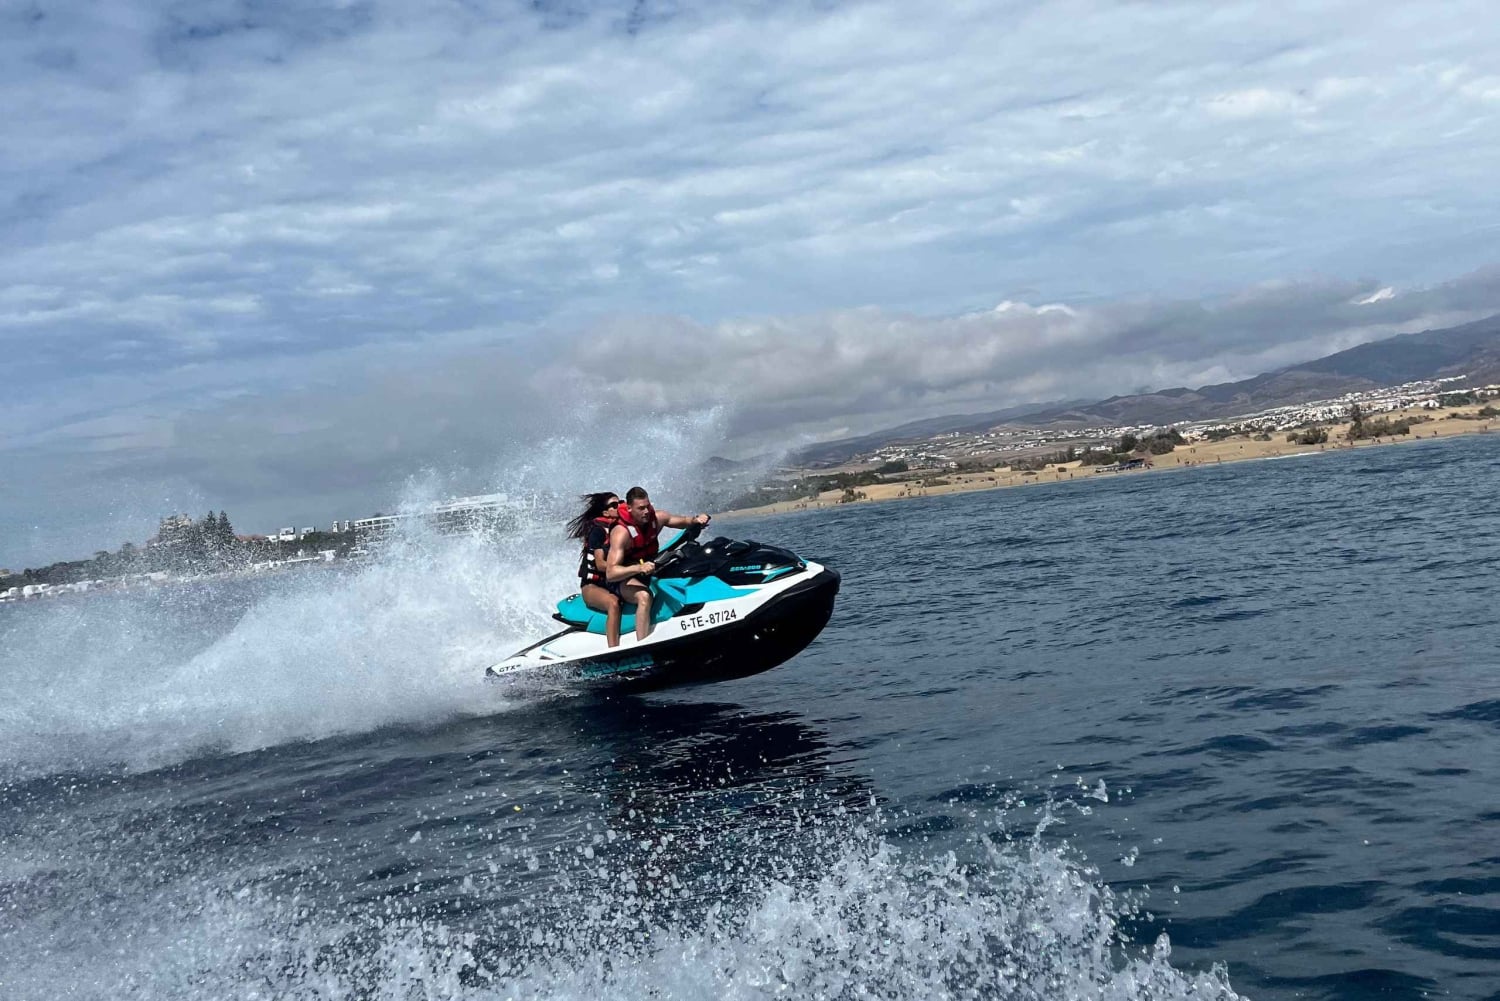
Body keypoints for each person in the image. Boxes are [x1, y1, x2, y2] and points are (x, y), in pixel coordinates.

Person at [606, 486, 711, 642]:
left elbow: (683, 521)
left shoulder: (657, 518)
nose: (646, 511)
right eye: (640, 508)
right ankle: (643, 644)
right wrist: (638, 568)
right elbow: (611, 573)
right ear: (629, 508)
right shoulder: (621, 533)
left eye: (647, 506)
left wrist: (697, 519)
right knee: (644, 597)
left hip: (648, 571)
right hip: (623, 578)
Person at [565, 491, 625, 647]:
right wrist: (631, 568)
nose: (619, 507)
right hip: (592, 587)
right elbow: (600, 564)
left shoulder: (622, 529)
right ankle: (614, 649)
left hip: (612, 582)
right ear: (605, 512)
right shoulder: (598, 531)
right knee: (613, 602)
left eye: (621, 503)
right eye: (614, 505)